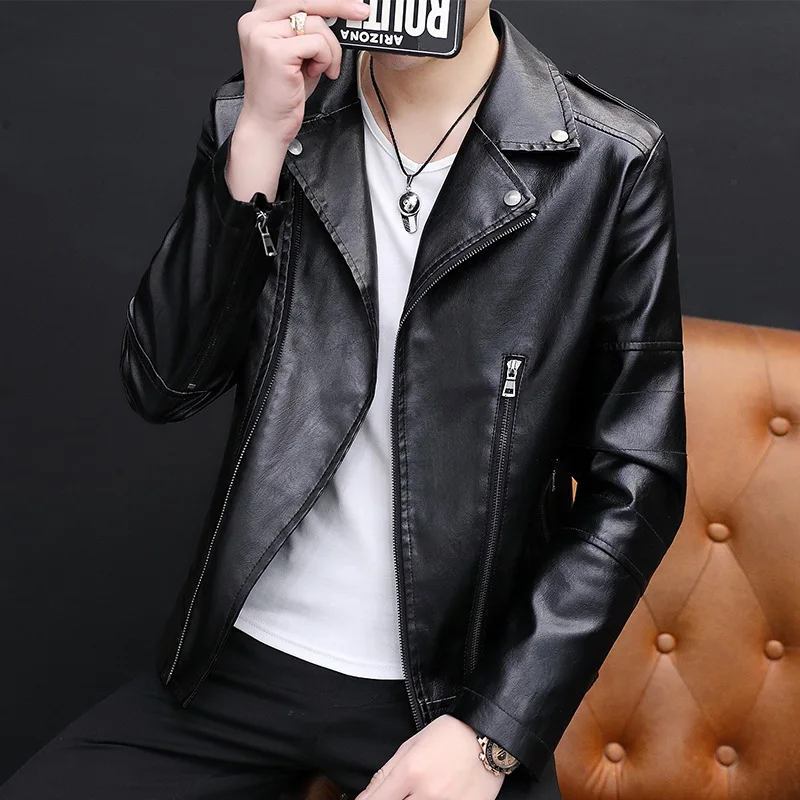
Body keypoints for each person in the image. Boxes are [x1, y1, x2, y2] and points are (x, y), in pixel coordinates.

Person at [0, 0, 687, 797]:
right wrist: (260, 137)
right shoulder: (263, 114)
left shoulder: (606, 161)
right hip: (239, 661)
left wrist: (493, 732)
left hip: (449, 694)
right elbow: (163, 384)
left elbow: (636, 482)